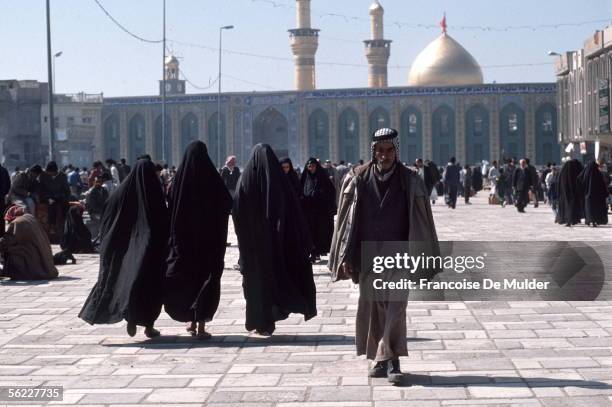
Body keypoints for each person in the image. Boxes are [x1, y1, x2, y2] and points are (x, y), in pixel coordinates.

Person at [329, 127, 440, 384]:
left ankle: (392, 361)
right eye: (380, 150)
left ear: (396, 151)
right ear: (373, 151)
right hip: (368, 254)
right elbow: (347, 224)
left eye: (389, 150)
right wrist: (347, 256)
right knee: (375, 307)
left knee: (396, 307)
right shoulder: (357, 179)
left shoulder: (410, 180)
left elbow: (423, 221)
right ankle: (382, 359)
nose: (384, 155)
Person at [232, 144, 317, 336]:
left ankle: (258, 320)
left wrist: (246, 237)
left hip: (252, 246)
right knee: (274, 279)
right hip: (276, 244)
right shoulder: (279, 182)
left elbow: (237, 212)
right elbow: (293, 214)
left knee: (255, 283)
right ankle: (268, 320)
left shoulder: (245, 181)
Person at [79, 159, 169, 338]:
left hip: (126, 252)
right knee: (150, 289)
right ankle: (148, 325)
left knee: (128, 283)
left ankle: (131, 318)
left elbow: (108, 219)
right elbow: (163, 221)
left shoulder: (120, 193)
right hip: (151, 252)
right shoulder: (153, 192)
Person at [164, 141, 233, 339]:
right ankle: (201, 324)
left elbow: (170, 207)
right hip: (209, 244)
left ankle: (191, 321)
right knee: (206, 280)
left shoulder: (178, 181)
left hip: (185, 244)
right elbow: (227, 203)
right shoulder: (213, 179)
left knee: (187, 280)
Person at [0, 209, 58, 281]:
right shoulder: (30, 218)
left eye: (8, 220)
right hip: (47, 266)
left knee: (8, 250)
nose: (8, 222)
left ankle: (18, 273)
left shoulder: (17, 223)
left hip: (33, 264)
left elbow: (8, 242)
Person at [300, 157, 337, 262]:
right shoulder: (304, 178)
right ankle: (312, 252)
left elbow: (331, 191)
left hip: (320, 212)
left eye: (313, 166)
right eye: (309, 166)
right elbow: (299, 191)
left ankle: (317, 252)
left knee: (319, 233)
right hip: (307, 211)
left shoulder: (322, 178)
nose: (311, 168)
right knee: (309, 232)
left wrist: (320, 195)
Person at [38, 161, 71, 244]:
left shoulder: (62, 176)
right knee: (51, 205)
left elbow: (66, 190)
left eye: (51, 172)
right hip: (47, 197)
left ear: (55, 171)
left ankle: (65, 225)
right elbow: (41, 189)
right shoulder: (43, 176)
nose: (50, 174)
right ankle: (52, 226)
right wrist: (47, 197)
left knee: (64, 205)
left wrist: (59, 196)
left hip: (59, 196)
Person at [577, 161, 609, 227]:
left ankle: (588, 220)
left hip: (587, 196)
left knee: (588, 209)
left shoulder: (585, 174)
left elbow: (580, 181)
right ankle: (594, 221)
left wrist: (581, 192)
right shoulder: (598, 174)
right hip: (597, 197)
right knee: (595, 209)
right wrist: (605, 194)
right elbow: (603, 185)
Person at [555, 159, 584, 227]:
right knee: (572, 206)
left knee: (567, 207)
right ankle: (572, 219)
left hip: (564, 195)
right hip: (573, 194)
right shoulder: (575, 173)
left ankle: (569, 220)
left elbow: (558, 184)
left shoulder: (562, 173)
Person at [0, 163, 11, 237]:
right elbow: (8, 185)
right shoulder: (4, 171)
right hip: (1, 199)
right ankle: (1, 235)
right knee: (1, 218)